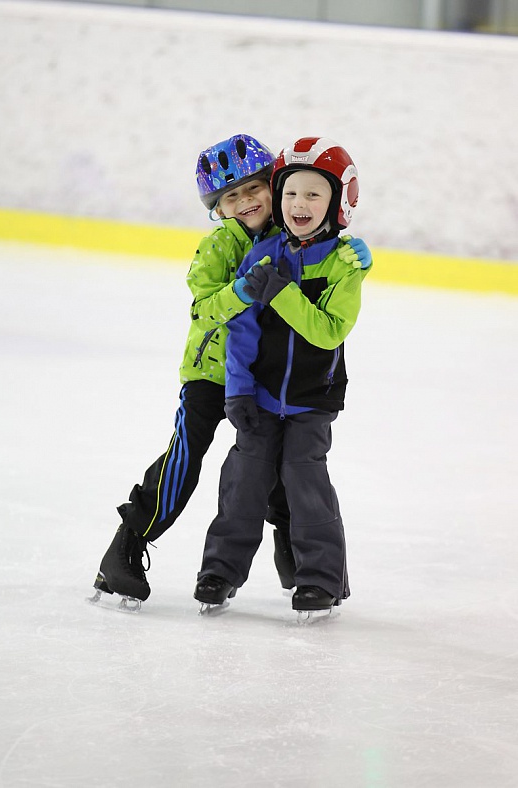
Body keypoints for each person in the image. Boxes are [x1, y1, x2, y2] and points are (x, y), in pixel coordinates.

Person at [92, 134, 295, 606]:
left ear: (272, 186)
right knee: (183, 460)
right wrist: (242, 291)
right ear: (218, 208)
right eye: (231, 196)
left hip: (266, 374)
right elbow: (204, 308)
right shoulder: (217, 246)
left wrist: (353, 255)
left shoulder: (290, 238)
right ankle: (125, 547)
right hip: (209, 374)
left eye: (253, 188)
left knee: (280, 464)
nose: (246, 201)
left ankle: (293, 547)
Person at [194, 136, 372, 617]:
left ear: (338, 202)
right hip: (261, 395)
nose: (299, 204)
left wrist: (281, 294)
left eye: (314, 194)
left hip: (313, 399)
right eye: (290, 192)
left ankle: (321, 580)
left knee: (305, 484)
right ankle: (219, 572)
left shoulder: (343, 264)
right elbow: (241, 329)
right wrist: (238, 390)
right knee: (243, 480)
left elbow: (327, 331)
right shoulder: (265, 253)